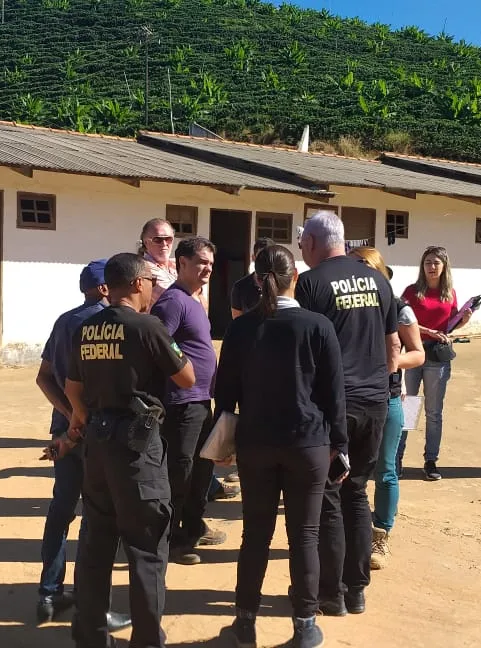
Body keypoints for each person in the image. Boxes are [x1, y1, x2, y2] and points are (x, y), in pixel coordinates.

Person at [49, 252, 195, 648]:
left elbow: (72, 388)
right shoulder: (146, 327)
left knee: (96, 543)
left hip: (97, 445)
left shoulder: (87, 328)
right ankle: (146, 640)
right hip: (137, 449)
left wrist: (81, 419)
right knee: (147, 548)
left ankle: (91, 636)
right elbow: (186, 377)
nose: (152, 288)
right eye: (149, 281)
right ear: (134, 284)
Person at [215, 244, 347, 648]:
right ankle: (304, 625)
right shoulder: (317, 325)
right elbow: (333, 395)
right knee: (304, 535)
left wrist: (227, 440)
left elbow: (225, 394)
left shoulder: (240, 328)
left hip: (256, 443)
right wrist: (339, 446)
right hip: (308, 444)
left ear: (256, 279)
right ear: (297, 277)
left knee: (255, 535)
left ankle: (244, 623)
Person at [296, 211, 399, 616]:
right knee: (357, 491)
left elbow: (303, 352)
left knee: (328, 497)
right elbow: (393, 347)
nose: (302, 248)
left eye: (304, 241)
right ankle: (356, 590)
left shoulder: (311, 283)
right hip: (374, 403)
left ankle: (331, 593)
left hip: (333, 408)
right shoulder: (378, 280)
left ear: (316, 243)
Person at [33, 260, 133, 631]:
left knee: (61, 511)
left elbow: (43, 378)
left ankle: (48, 594)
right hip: (98, 433)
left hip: (66, 432)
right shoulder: (108, 325)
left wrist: (69, 415)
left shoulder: (64, 321)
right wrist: (83, 418)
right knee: (98, 520)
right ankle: (95, 607)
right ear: (106, 288)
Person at [151, 237, 226, 566]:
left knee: (201, 468)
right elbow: (157, 345)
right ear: (181, 263)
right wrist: (183, 371)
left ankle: (193, 528)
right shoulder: (173, 302)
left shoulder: (195, 300)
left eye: (210, 262)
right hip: (181, 402)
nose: (207, 267)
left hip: (200, 401)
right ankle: (169, 540)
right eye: (201, 262)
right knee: (179, 472)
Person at [350, 247, 425, 570]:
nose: (357, 272)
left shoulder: (398, 308)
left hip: (388, 398)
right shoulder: (345, 307)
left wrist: (389, 365)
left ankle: (381, 533)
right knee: (349, 471)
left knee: (386, 469)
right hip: (349, 398)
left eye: (364, 266)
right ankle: (351, 531)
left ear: (379, 270)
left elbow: (418, 353)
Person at [400, 245, 471, 481]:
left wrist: (462, 321)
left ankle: (431, 461)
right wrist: (427, 330)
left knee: (434, 412)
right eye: (428, 262)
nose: (431, 267)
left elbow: (448, 327)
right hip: (413, 353)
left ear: (444, 266)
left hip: (437, 357)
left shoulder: (449, 293)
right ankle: (396, 459)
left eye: (436, 263)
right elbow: (402, 320)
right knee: (408, 406)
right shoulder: (411, 292)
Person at [139, 219, 208, 312]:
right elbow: (176, 297)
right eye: (158, 240)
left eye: (168, 239)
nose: (164, 244)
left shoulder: (176, 263)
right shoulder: (143, 267)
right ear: (146, 242)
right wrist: (197, 288)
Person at [229, 237, 274, 318]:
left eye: (268, 257)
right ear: (253, 258)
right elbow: (237, 323)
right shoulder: (240, 287)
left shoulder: (281, 285)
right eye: (261, 257)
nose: (265, 261)